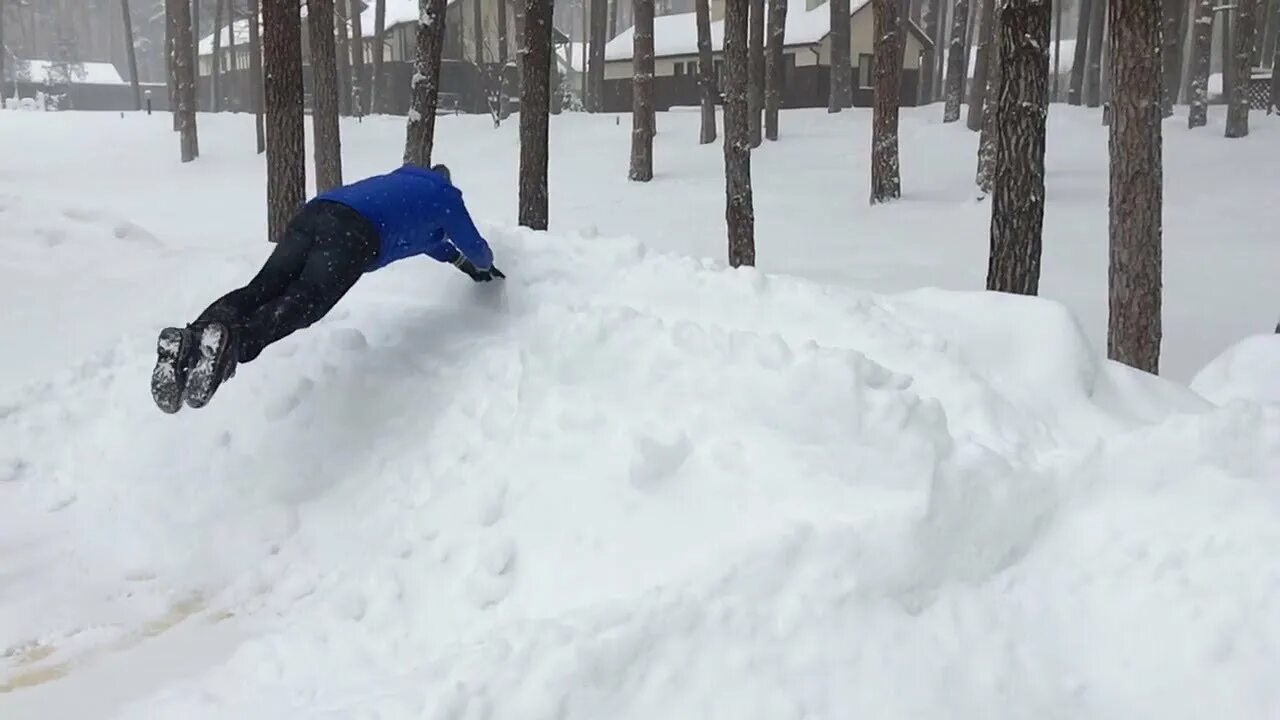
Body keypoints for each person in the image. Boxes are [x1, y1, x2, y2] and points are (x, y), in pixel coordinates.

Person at [150, 163, 503, 414]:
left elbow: (435, 244)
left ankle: (193, 337)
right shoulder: (445, 197)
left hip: (315, 212)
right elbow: (475, 247)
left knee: (263, 286)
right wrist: (485, 265)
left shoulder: (400, 184)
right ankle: (234, 344)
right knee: (306, 300)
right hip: (353, 234)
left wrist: (462, 267)